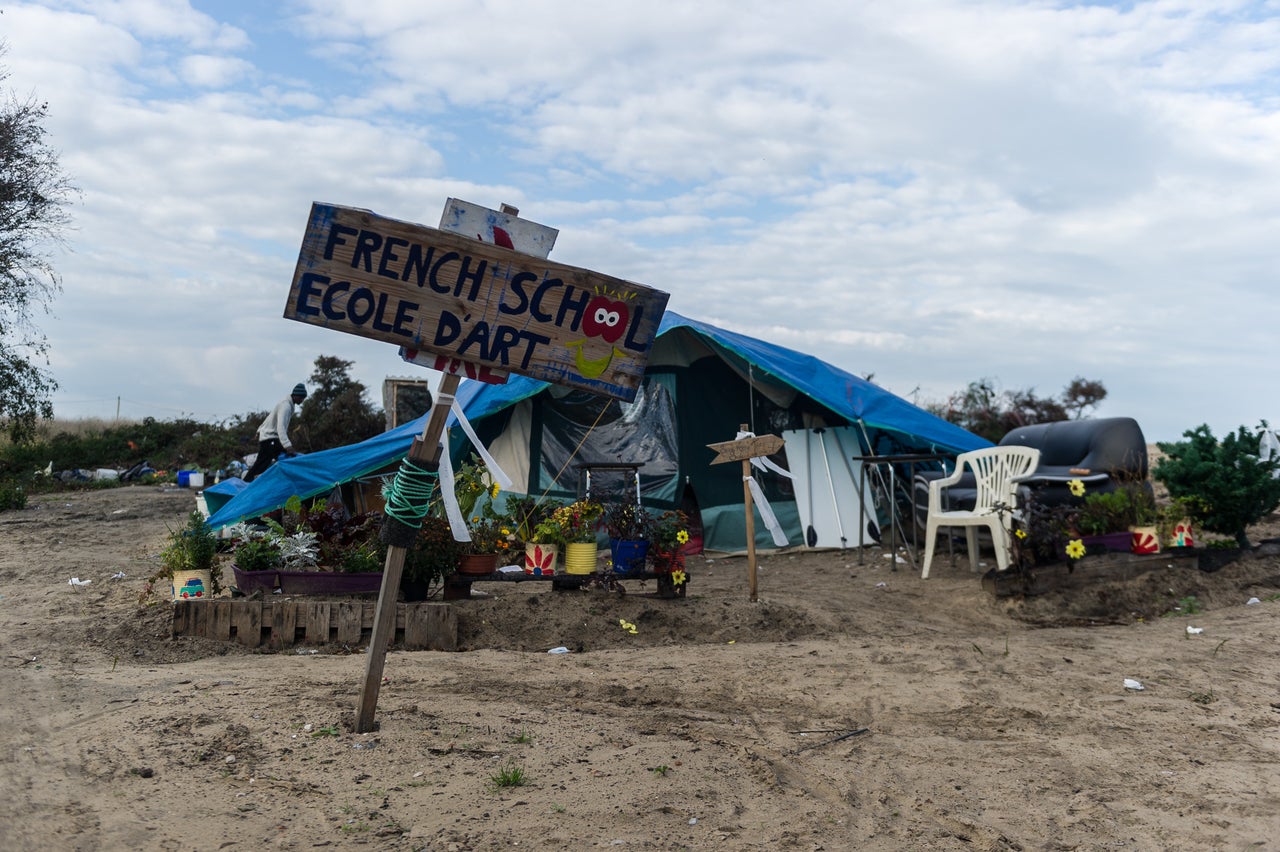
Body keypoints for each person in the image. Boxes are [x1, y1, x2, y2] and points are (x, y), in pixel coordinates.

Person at [245, 383, 307, 482]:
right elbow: (280, 427)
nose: (302, 401)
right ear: (296, 396)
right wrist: (287, 445)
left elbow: (269, 418)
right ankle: (245, 483)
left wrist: (259, 430)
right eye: (301, 398)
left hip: (273, 438)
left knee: (285, 458)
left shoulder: (289, 404)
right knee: (261, 464)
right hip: (270, 438)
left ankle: (283, 481)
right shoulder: (285, 405)